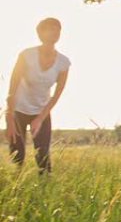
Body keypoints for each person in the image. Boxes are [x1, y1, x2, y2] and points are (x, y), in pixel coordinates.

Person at [4, 18, 71, 174]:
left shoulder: (63, 62)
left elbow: (57, 94)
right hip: (18, 110)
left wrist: (40, 118)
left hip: (41, 111)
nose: (55, 32)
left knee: (43, 157)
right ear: (40, 33)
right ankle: (15, 190)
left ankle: (44, 191)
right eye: (50, 28)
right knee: (17, 156)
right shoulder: (26, 56)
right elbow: (12, 87)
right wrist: (9, 117)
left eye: (57, 29)